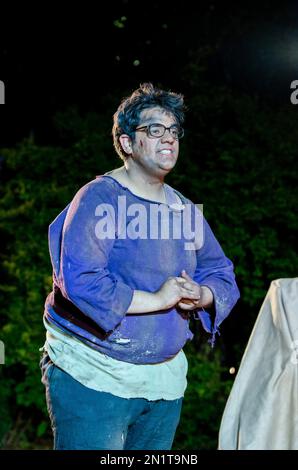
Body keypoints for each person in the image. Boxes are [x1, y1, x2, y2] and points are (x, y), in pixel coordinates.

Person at [40, 82, 240, 450]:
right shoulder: (100, 197)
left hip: (163, 382)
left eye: (174, 130)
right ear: (128, 143)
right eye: (154, 129)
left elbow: (219, 270)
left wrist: (204, 293)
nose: (169, 138)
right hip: (94, 374)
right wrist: (158, 299)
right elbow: (81, 280)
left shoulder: (183, 209)